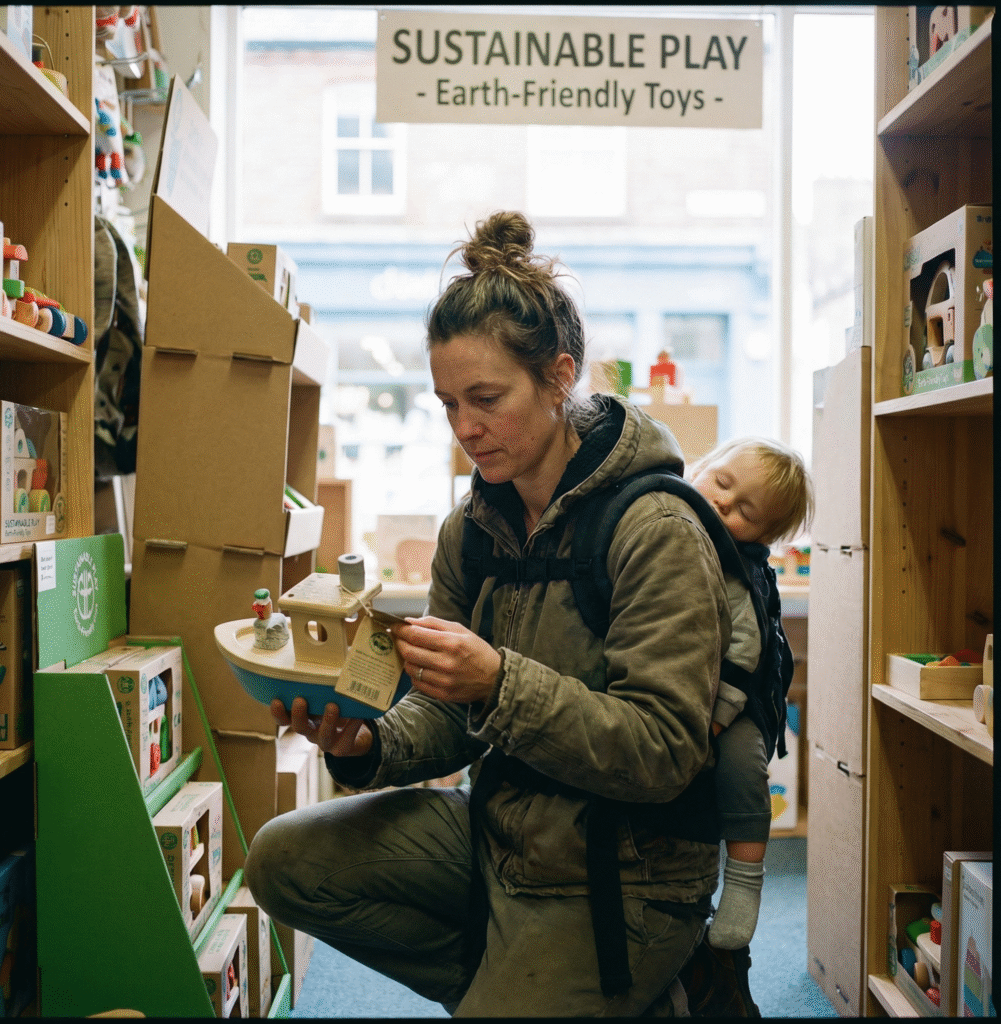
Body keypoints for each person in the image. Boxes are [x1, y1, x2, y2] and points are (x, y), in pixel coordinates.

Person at [244, 210, 736, 1017]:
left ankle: (625, 988)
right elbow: (445, 713)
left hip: (628, 874)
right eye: (447, 404)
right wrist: (370, 743)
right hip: (500, 835)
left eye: (486, 399)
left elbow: (663, 751)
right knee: (280, 861)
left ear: (559, 377)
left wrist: (499, 683)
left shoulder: (656, 529)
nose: (465, 429)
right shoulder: (471, 532)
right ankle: (518, 985)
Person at [687, 436, 814, 952]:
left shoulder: (738, 569)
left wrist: (718, 719)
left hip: (732, 698)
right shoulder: (661, 516)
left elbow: (744, 655)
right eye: (721, 482)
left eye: (746, 512)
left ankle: (744, 880)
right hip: (667, 681)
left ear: (763, 537)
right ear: (701, 465)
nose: (723, 504)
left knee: (743, 764)